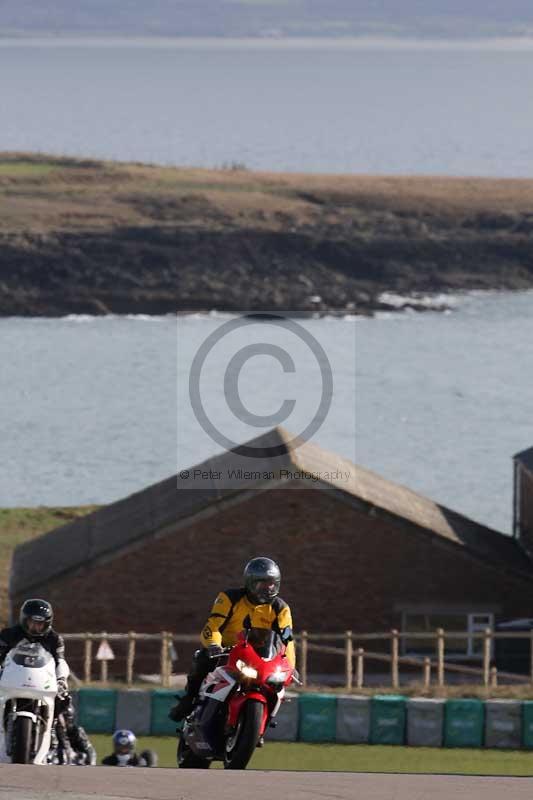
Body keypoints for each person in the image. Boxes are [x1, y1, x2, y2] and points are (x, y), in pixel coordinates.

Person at [169, 556, 296, 722]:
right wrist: (214, 645)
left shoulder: (281, 608)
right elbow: (213, 626)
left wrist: (290, 667)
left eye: (272, 583)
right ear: (250, 582)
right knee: (201, 657)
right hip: (227, 651)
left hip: (261, 658)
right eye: (263, 583)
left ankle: (263, 719)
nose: (268, 588)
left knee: (276, 685)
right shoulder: (230, 598)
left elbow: (288, 640)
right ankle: (189, 699)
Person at [0, 598, 95, 764]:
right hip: (11, 678)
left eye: (40, 624)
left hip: (41, 681)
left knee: (66, 706)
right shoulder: (8, 635)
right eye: (31, 623)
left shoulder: (54, 639)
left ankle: (59, 737)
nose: (35, 627)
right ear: (24, 620)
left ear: (47, 623)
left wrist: (61, 680)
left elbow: (60, 661)